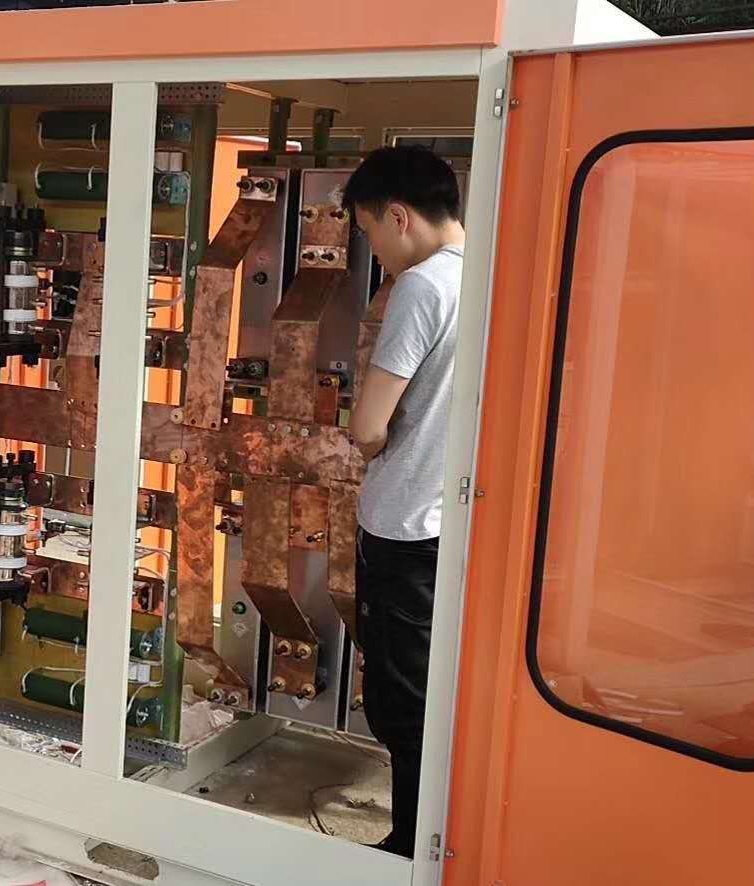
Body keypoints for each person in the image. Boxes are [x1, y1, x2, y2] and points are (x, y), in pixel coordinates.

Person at [341, 145, 465, 857]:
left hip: (403, 524)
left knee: (400, 698)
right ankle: (429, 838)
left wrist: (370, 437)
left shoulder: (422, 287)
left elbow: (368, 427)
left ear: (398, 216)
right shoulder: (488, 273)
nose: (377, 252)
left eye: (370, 233)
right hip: (450, 523)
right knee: (432, 690)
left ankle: (410, 850)